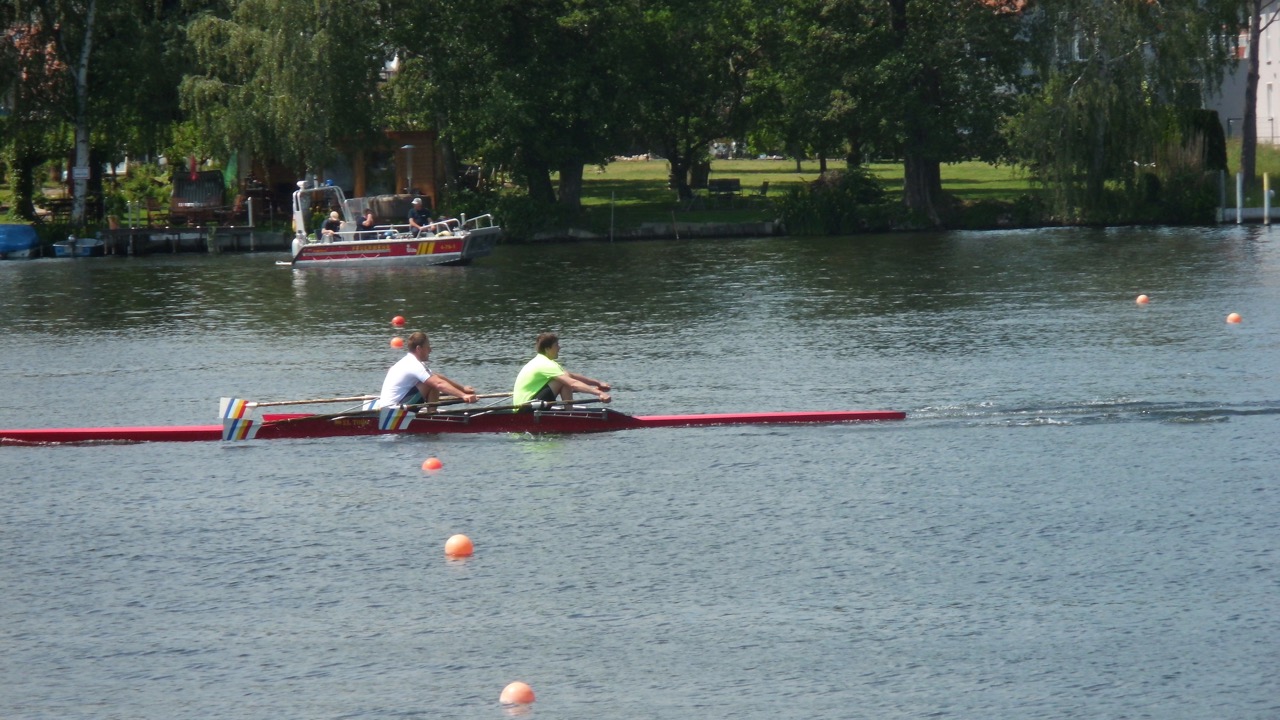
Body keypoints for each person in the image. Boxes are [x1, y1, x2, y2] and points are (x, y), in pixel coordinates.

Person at [376, 331, 478, 409]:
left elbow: (437, 377)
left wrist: (463, 389)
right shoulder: (414, 365)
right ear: (419, 349)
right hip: (394, 411)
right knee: (432, 383)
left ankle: (432, 413)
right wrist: (463, 396)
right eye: (427, 347)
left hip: (389, 406)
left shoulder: (407, 361)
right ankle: (432, 417)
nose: (430, 350)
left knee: (433, 379)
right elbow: (439, 384)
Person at [513, 332, 611, 407]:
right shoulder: (545, 364)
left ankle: (569, 413)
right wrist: (599, 393)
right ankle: (570, 415)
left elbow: (571, 376)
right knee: (564, 381)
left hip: (528, 404)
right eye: (556, 345)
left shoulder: (542, 361)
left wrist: (598, 383)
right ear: (547, 349)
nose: (559, 348)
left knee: (565, 377)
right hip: (526, 407)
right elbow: (572, 383)